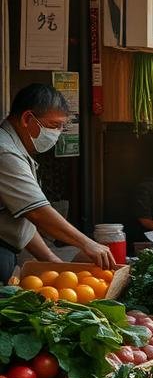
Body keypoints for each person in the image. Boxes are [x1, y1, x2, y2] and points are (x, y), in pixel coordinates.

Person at [0, 84, 116, 277]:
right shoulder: (5, 152)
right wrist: (87, 243)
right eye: (53, 126)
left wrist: (52, 261)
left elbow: (22, 219)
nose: (56, 134)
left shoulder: (16, 149)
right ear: (28, 119)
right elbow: (37, 211)